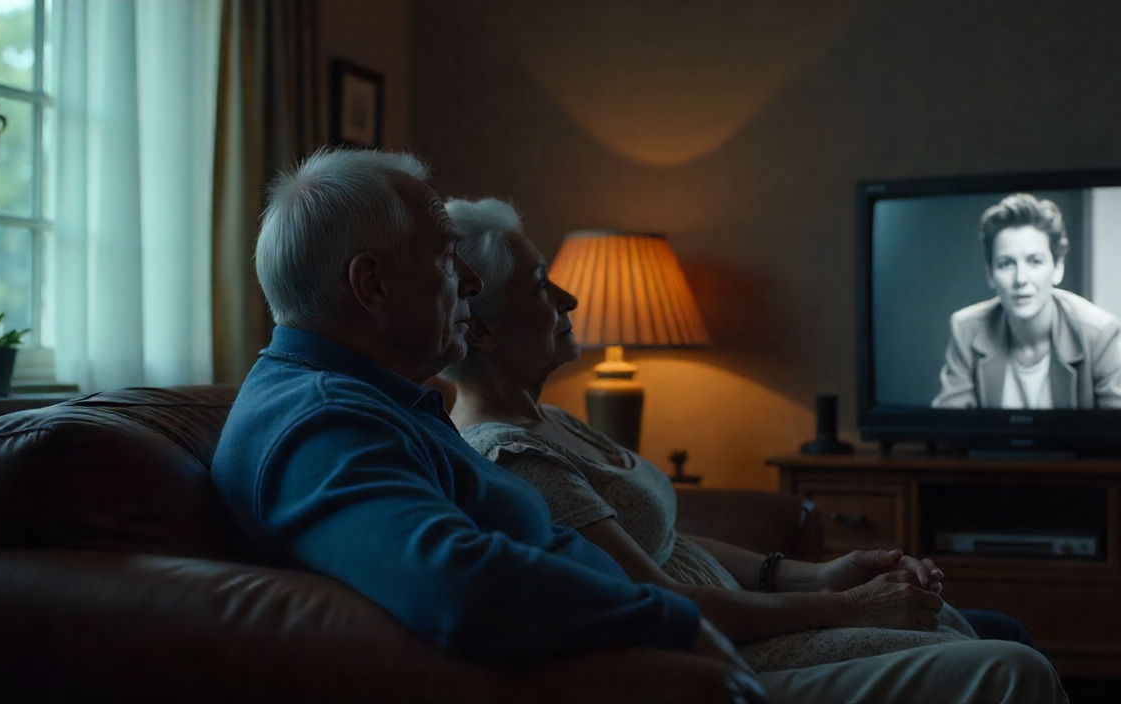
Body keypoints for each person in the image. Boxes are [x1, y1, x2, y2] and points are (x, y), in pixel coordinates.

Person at [440, 196, 1068, 702]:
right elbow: (662, 599)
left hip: (753, 623)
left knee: (982, 629)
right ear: (482, 326)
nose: (569, 300)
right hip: (724, 654)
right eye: (542, 285)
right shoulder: (512, 457)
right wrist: (844, 607)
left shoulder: (552, 417)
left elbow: (666, 540)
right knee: (1013, 666)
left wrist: (813, 574)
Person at [208, 149, 753, 689]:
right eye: (447, 256)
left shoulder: (375, 400)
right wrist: (673, 624)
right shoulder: (323, 422)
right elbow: (452, 583)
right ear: (372, 284)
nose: (470, 281)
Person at [932, 193, 1121, 410]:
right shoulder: (967, 329)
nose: (1021, 279)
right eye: (1006, 264)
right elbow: (948, 430)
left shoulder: (1098, 333)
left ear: (1058, 268)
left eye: (1035, 261)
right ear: (990, 274)